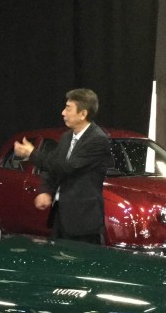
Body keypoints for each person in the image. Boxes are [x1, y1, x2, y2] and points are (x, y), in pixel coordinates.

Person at [12, 88, 111, 244]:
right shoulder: (66, 137)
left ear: (83, 114)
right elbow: (53, 166)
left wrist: (32, 153)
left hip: (83, 222)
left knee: (80, 266)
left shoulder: (97, 139)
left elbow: (67, 166)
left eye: (68, 108)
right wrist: (45, 190)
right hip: (61, 215)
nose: (63, 113)